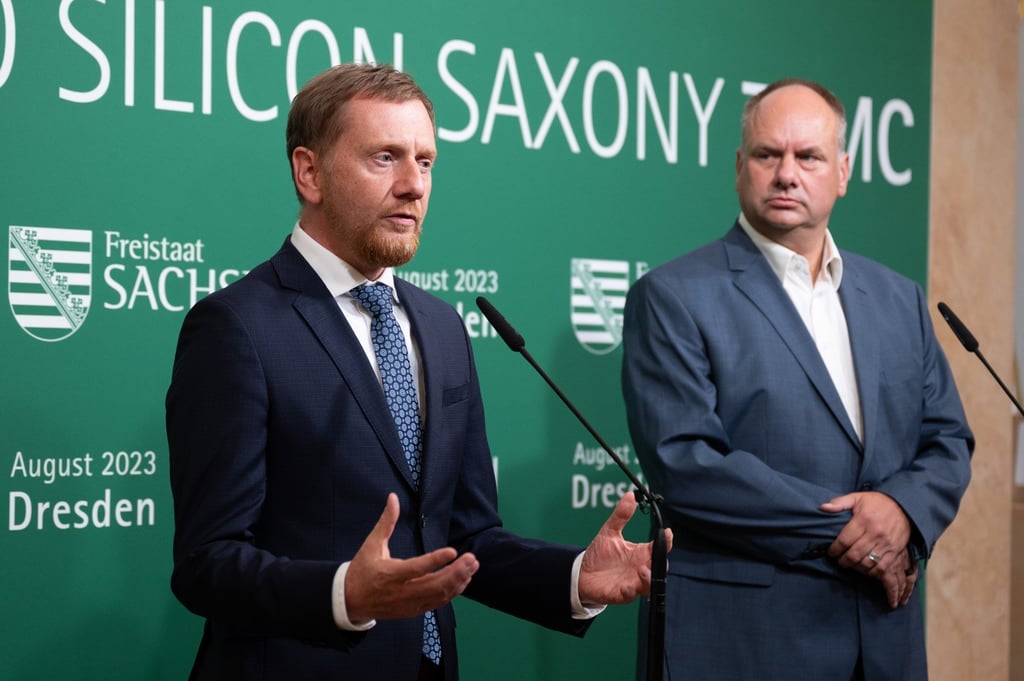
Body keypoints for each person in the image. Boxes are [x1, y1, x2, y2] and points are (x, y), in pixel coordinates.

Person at [167, 62, 668, 681]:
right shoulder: (237, 327)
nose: (413, 185)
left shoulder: (441, 326)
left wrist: (574, 579)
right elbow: (206, 563)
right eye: (384, 158)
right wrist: (344, 594)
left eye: (425, 162)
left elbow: (465, 534)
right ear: (310, 172)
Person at [621, 78, 973, 680]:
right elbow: (688, 464)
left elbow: (948, 441)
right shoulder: (673, 296)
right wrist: (866, 532)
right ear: (739, 167)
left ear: (841, 172)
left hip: (885, 641)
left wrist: (904, 512)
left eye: (808, 157)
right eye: (768, 155)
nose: (787, 174)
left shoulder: (899, 299)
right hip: (747, 641)